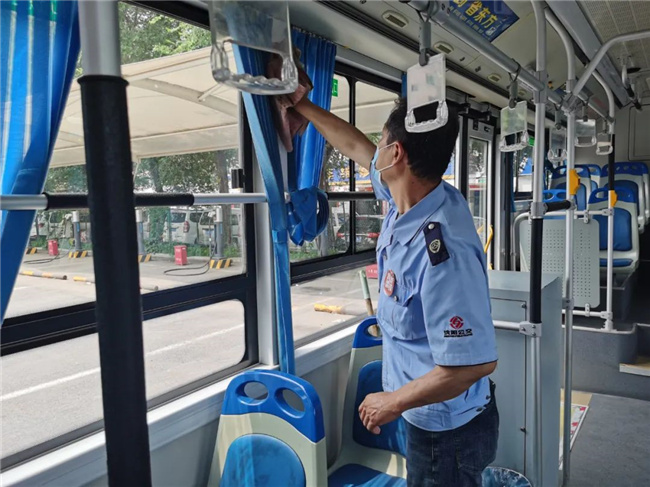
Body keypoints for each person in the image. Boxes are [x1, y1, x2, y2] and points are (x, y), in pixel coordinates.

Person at [294, 96, 499, 487]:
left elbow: (473, 364)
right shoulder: (408, 197)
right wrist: (302, 104)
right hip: (425, 417)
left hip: (447, 435)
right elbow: (354, 146)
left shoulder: (444, 252)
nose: (376, 151)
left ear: (397, 153)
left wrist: (393, 401)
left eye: (382, 142)